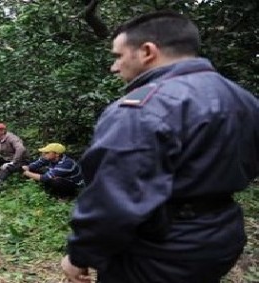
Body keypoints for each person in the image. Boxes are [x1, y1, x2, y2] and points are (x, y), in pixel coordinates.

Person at [61, 11, 259, 283]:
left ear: (147, 51)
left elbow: (112, 200)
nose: (114, 67)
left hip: (159, 249)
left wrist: (79, 255)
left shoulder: (143, 108)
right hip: (220, 236)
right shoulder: (243, 98)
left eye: (118, 56)